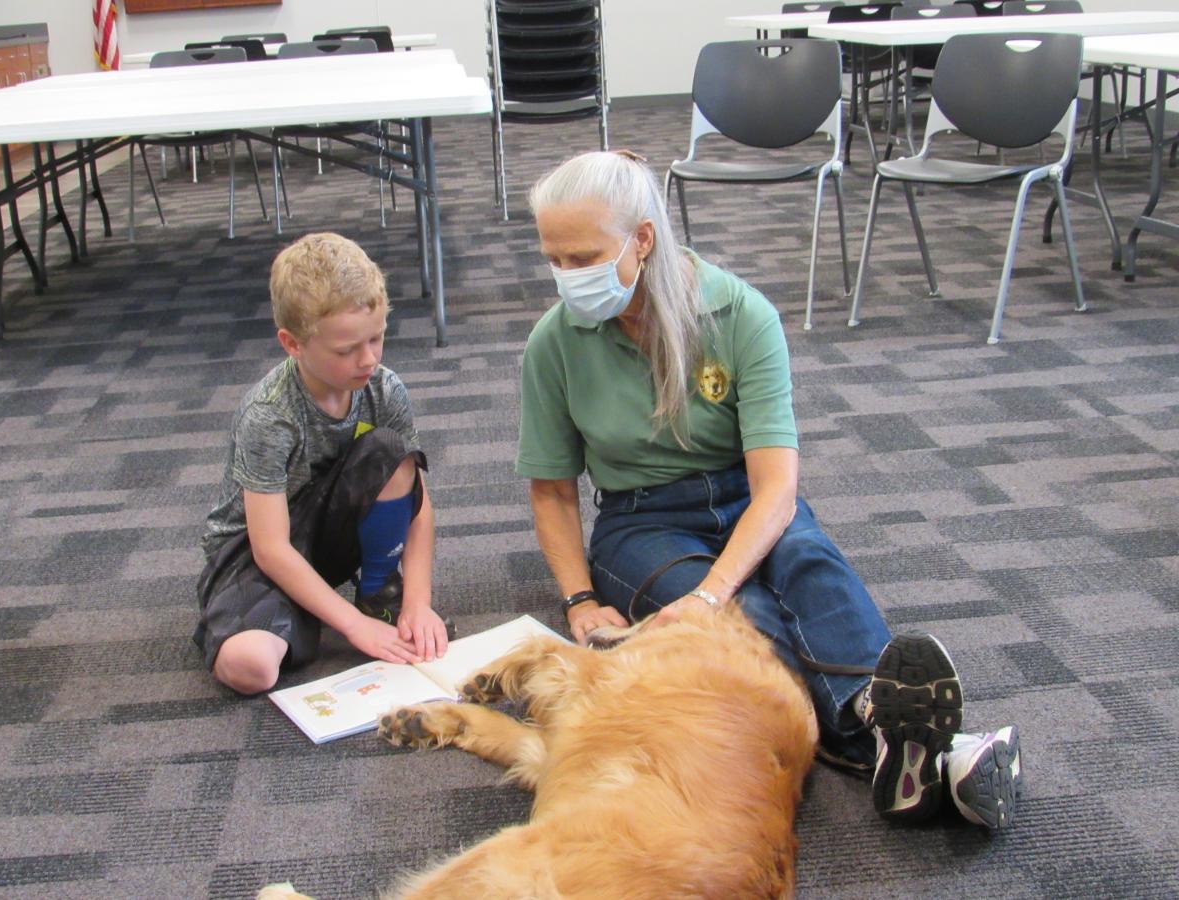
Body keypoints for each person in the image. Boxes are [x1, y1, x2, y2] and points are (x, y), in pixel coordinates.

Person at [514, 151, 1022, 830]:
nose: (567, 277)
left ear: (642, 238)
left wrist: (703, 596)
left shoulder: (739, 314)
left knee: (809, 565)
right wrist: (579, 598)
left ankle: (887, 737)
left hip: (744, 494)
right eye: (556, 258)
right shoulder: (554, 342)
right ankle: (913, 747)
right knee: (748, 614)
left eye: (583, 256)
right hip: (640, 522)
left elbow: (777, 491)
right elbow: (551, 490)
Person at [193, 232, 450, 696]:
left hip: (330, 535)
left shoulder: (384, 389)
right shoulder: (270, 415)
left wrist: (418, 602)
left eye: (376, 338)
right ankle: (294, 613)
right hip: (254, 551)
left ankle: (377, 591)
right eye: (346, 349)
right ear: (292, 344)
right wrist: (351, 627)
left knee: (390, 450)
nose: (368, 359)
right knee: (250, 666)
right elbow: (270, 548)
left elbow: (419, 504)